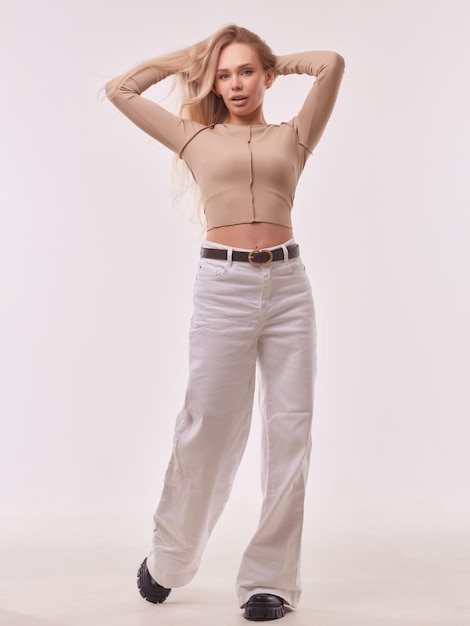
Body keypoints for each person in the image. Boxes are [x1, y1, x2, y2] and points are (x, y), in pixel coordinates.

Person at [105, 24, 344, 621]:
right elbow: (121, 90)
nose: (234, 84)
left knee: (291, 432)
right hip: (223, 286)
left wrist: (274, 61)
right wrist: (190, 58)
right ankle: (170, 558)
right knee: (207, 424)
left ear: (262, 76)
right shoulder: (194, 137)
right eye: (224, 73)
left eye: (245, 72)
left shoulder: (294, 135)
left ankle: (271, 583)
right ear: (211, 80)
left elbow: (332, 63)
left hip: (290, 287)